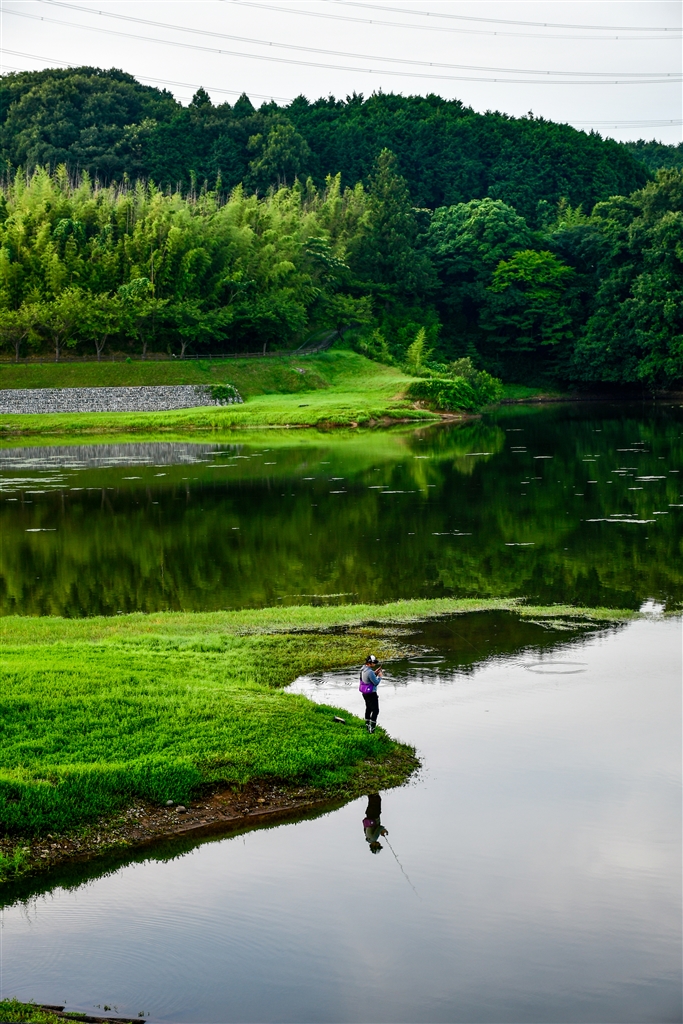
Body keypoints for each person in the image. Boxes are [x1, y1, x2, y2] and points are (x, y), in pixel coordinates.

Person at [359, 654, 383, 733]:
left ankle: (367, 726)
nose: (375, 664)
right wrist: (379, 676)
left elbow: (366, 679)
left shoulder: (362, 669)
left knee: (368, 708)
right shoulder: (369, 672)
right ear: (370, 663)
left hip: (365, 693)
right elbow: (376, 683)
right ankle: (372, 729)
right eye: (374, 662)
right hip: (371, 693)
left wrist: (374, 673)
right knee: (375, 710)